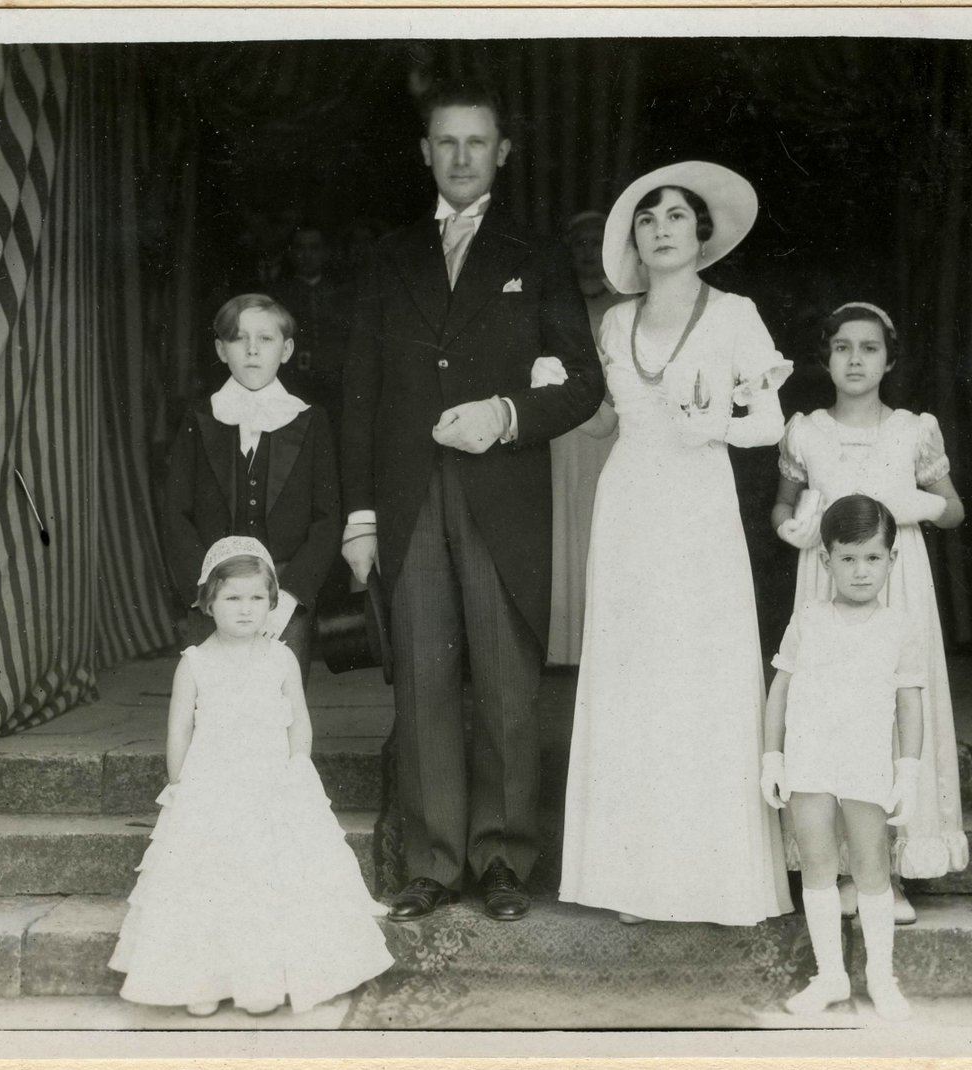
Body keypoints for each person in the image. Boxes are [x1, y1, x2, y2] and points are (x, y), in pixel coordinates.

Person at [340, 81, 604, 922]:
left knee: (504, 686)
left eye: (476, 142)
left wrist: (508, 415)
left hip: (503, 496)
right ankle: (432, 864)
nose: (461, 157)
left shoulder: (539, 255)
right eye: (446, 142)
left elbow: (585, 383)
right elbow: (360, 389)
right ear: (426, 152)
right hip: (409, 497)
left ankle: (502, 860)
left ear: (502, 153)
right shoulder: (388, 255)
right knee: (422, 681)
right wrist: (359, 514)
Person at [558, 161, 795, 926]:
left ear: (702, 233)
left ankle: (711, 881)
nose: (661, 229)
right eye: (647, 218)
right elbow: (605, 418)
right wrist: (548, 381)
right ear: (634, 241)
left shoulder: (735, 314)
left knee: (699, 678)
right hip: (629, 506)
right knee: (636, 682)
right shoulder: (613, 324)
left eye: (675, 216)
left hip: (698, 507)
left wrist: (715, 425)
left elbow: (771, 424)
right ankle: (636, 881)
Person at [109, 538, 393, 1016]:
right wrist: (179, 786)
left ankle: (264, 979)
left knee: (270, 881)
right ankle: (201, 979)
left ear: (272, 602)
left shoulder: (280, 658)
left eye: (257, 598)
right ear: (208, 603)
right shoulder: (195, 663)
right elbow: (179, 729)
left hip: (271, 786)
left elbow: (299, 721)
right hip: (212, 789)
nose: (245, 609)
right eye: (232, 598)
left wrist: (298, 767)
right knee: (209, 884)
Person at [770, 301, 967, 923]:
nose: (855, 360)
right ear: (826, 358)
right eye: (842, 348)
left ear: (888, 360)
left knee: (891, 707)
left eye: (870, 348)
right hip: (828, 582)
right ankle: (839, 871)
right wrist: (792, 526)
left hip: (896, 583)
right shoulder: (806, 431)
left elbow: (954, 509)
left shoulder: (913, 430)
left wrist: (915, 504)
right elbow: (782, 506)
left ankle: (889, 875)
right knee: (832, 712)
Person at [761, 494, 925, 1021]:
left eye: (872, 558)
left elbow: (909, 703)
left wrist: (908, 772)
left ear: (891, 559)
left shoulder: (899, 627)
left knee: (872, 867)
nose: (860, 571)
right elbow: (781, 690)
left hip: (865, 762)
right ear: (826, 559)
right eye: (848, 558)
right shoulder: (809, 619)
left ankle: (881, 977)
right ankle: (830, 975)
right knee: (818, 865)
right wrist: (772, 758)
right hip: (809, 758)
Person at [160, 294, 340, 681]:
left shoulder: (310, 421)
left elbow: (327, 519)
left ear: (286, 350)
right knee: (212, 697)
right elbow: (176, 513)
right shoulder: (200, 418)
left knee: (279, 698)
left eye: (266, 339)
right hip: (212, 592)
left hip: (283, 595)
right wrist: (204, 591)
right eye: (239, 339)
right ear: (221, 350)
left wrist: (291, 595)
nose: (253, 350)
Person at [545, 210, 623, 665]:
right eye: (581, 243)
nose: (590, 252)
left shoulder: (627, 308)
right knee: (565, 528)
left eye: (598, 242)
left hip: (612, 436)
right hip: (563, 435)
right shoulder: (554, 303)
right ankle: (564, 649)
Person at [272, 223, 353, 422]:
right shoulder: (279, 294)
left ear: (325, 252)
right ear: (291, 253)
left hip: (335, 381)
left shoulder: (342, 293)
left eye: (314, 248)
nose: (307, 255)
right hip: (293, 380)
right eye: (300, 248)